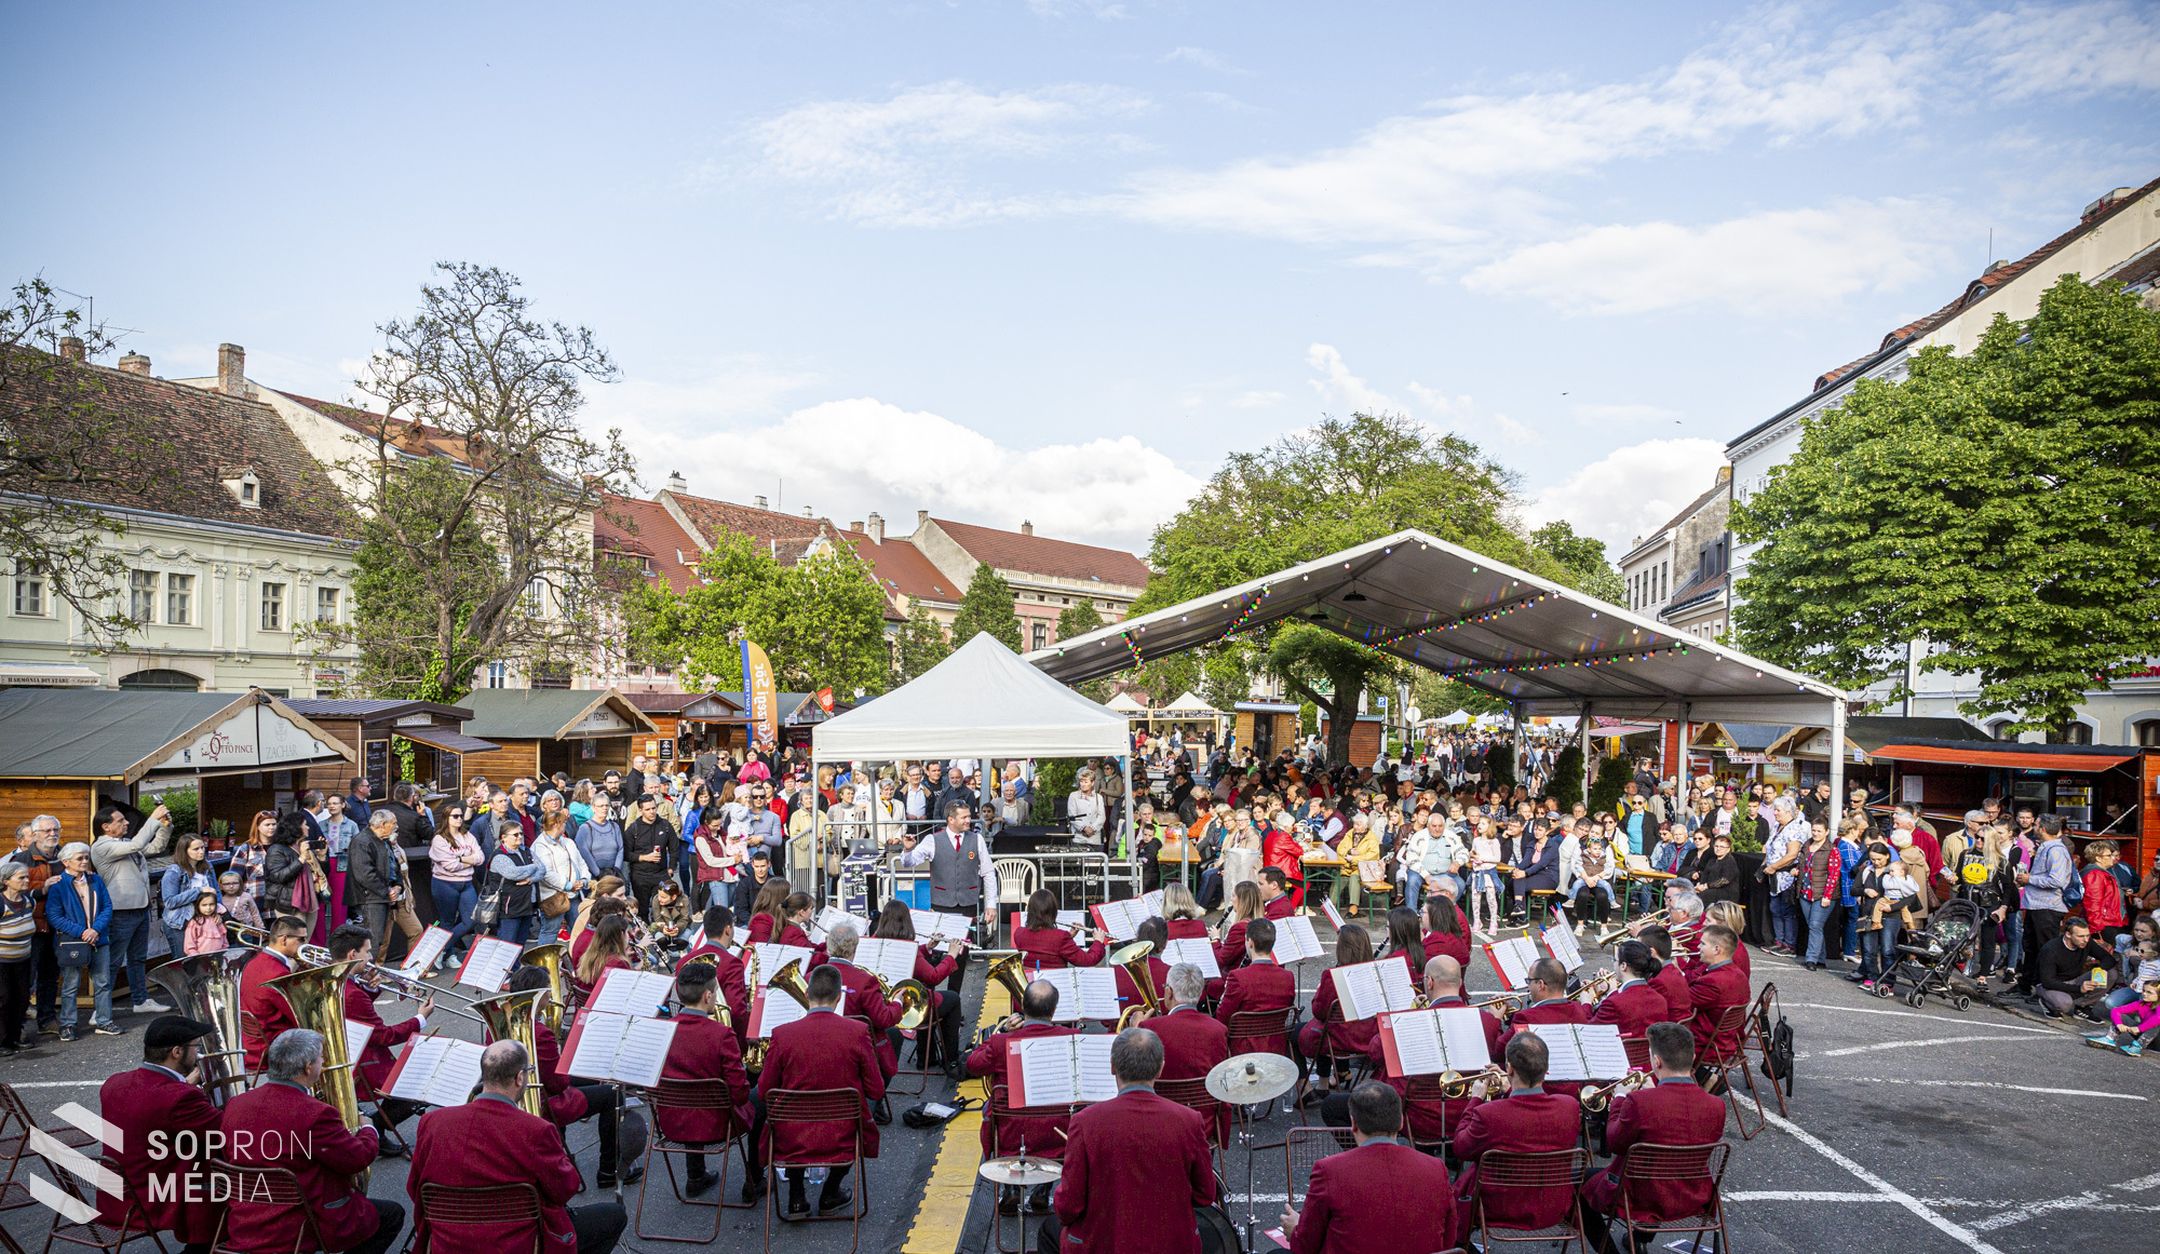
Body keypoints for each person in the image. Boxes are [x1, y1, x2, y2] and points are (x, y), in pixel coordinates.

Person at [406, 1039, 627, 1254]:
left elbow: (414, 1189)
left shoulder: (432, 1122)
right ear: (520, 1078)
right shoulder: (537, 1130)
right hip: (519, 1243)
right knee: (615, 1216)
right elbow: (565, 1189)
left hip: (447, 1243)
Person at [1040, 1027, 1218, 1254]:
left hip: (1105, 1244)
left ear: (1112, 1066)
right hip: (1172, 1244)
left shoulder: (1085, 1122)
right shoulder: (1189, 1120)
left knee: (1048, 1232)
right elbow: (1205, 1195)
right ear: (1161, 1068)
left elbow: (1068, 1207)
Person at [222, 1028, 399, 1254]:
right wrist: (368, 1128)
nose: (323, 1062)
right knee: (392, 1216)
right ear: (308, 1067)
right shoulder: (315, 1113)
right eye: (320, 1058)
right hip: (302, 1220)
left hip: (246, 1217)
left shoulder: (237, 1104)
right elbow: (357, 1158)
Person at [1580, 1021, 1730, 1254]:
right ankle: (1639, 1238)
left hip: (1640, 1197)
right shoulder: (1717, 1105)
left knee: (1579, 1183)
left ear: (1656, 1061)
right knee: (1656, 1164)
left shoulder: (1639, 1102)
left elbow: (1615, 1143)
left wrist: (1619, 1100)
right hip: (1691, 1195)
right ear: (1691, 1057)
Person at [756, 963, 884, 1218]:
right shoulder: (857, 1032)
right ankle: (830, 1191)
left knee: (787, 1114)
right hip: (842, 1133)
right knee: (860, 1108)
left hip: (792, 1136)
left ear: (806, 994)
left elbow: (764, 1091)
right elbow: (876, 1089)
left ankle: (796, 1196)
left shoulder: (782, 1034)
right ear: (839, 998)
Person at [1281, 1082, 1457, 1254]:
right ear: (1401, 1122)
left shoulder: (1329, 1170)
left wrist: (1295, 1230)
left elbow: (1305, 1246)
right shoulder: (1435, 1168)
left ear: (1354, 1124)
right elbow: (1449, 1237)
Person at [97, 1015, 222, 1251]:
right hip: (155, 1197)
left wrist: (184, 1085)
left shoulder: (114, 1083)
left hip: (118, 1195)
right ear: (176, 1052)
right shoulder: (179, 1097)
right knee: (226, 1164)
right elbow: (224, 1129)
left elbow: (154, 1106)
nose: (199, 1054)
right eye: (196, 1047)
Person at [506, 966, 633, 1190]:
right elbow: (558, 1084)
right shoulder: (541, 1032)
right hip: (543, 1101)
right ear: (538, 995)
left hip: (518, 1095)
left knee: (596, 1081)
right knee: (613, 1095)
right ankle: (608, 1171)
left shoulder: (500, 1023)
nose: (551, 996)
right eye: (548, 991)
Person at [1450, 1033, 1583, 1239]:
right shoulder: (1570, 1106)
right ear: (1546, 1070)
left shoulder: (1489, 1114)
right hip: (1553, 1208)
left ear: (1509, 1069)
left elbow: (1460, 1147)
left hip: (1498, 1211)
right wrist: (1510, 1088)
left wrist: (1476, 1098)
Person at [965, 978, 1080, 1215]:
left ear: (1022, 1008)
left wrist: (1002, 1031)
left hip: (1011, 1135)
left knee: (994, 1103)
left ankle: (1011, 1189)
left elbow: (972, 1064)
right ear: (1055, 1009)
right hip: (1057, 1135)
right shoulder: (1072, 1038)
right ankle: (1043, 1191)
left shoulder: (1001, 1042)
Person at [328, 924, 431, 1149]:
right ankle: (374, 1125)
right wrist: (420, 1019)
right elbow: (384, 1036)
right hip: (363, 1060)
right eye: (367, 951)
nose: (371, 957)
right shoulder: (352, 993)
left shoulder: (335, 979)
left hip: (353, 1047)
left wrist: (372, 989)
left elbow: (357, 1011)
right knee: (419, 1084)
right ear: (352, 955)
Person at [658, 966, 756, 1200]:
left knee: (690, 1088)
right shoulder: (721, 1035)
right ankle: (755, 1179)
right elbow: (740, 1094)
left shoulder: (662, 1030)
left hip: (672, 1122)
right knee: (760, 1100)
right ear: (708, 996)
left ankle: (696, 1175)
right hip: (717, 1125)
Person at [889, 799, 999, 978]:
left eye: (969, 816)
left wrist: (991, 904)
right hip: (941, 905)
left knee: (961, 953)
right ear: (951, 819)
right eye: (963, 817)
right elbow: (909, 862)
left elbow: (988, 872)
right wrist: (908, 850)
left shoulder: (976, 839)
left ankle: (954, 997)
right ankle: (936, 995)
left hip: (967, 904)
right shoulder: (932, 840)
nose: (968, 821)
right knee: (938, 951)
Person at [89, 801, 173, 1015]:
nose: (127, 822)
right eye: (120, 820)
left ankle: (141, 1000)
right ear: (106, 827)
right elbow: (137, 845)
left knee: (138, 958)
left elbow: (155, 847)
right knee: (113, 962)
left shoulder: (126, 841)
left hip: (140, 907)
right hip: (120, 912)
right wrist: (153, 818)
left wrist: (164, 826)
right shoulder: (101, 846)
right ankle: (100, 1011)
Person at [871, 899, 968, 1078]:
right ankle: (951, 1058)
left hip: (882, 1005)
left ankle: (927, 1057)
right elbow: (933, 976)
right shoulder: (907, 948)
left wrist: (927, 947)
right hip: (907, 1009)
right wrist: (951, 955)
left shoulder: (874, 943)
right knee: (952, 999)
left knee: (925, 991)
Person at [1136, 962, 1230, 1145]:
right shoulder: (1218, 1029)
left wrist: (1135, 1032)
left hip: (1159, 1123)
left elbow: (1137, 1077)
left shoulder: (1149, 1028)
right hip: (1203, 1124)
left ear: (1169, 992)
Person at [1297, 923, 1380, 1105]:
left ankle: (1307, 1089)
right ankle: (1323, 1084)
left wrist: (1319, 992)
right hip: (1369, 1037)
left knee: (1299, 1032)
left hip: (1340, 1039)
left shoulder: (1332, 976)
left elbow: (1319, 1011)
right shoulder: (1378, 973)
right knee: (1325, 1028)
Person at [47, 841, 122, 1040]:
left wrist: (95, 929)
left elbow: (107, 907)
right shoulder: (58, 885)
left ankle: (104, 1021)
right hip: (73, 941)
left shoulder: (95, 879)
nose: (84, 861)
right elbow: (54, 916)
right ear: (66, 862)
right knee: (71, 984)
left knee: (103, 982)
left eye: (86, 857)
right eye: (79, 858)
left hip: (99, 938)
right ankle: (68, 1024)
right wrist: (83, 932)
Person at [820, 923, 906, 1086]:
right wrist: (897, 1003)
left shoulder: (811, 976)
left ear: (828, 947)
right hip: (857, 1047)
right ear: (854, 949)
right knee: (893, 1034)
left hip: (819, 1043)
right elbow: (883, 1019)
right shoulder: (865, 980)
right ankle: (876, 1096)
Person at [1216, 916, 1296, 1056]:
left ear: (1250, 942)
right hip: (1276, 1046)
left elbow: (1222, 1017)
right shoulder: (1287, 977)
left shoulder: (1238, 977)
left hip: (1243, 1048)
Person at [350, 810, 421, 964]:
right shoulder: (362, 841)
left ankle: (376, 973)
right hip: (371, 898)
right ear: (382, 825)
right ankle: (367, 975)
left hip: (388, 895)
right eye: (393, 823)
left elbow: (394, 866)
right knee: (374, 940)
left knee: (383, 938)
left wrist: (397, 886)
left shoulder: (384, 840)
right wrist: (386, 891)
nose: (396, 826)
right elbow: (364, 875)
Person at [238, 915, 309, 1069]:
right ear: (284, 940)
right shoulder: (277, 973)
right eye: (301, 939)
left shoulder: (254, 962)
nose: (305, 944)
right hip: (270, 1046)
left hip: (252, 1043)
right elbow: (299, 1017)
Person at [427, 805, 485, 965]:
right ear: (447, 818)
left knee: (471, 920)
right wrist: (468, 858)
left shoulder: (467, 835)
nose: (459, 819)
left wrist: (460, 859)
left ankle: (441, 949)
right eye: (455, 816)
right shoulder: (439, 839)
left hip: (466, 882)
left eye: (460, 816)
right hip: (445, 883)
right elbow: (450, 866)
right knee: (447, 921)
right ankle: (449, 955)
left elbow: (480, 857)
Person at [1684, 925, 1750, 1067]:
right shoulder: (1738, 974)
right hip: (1727, 1041)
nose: (1698, 948)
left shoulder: (1713, 981)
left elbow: (1681, 1003)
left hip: (1707, 1045)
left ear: (1716, 950)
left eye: (1702, 944)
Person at [2036, 917, 2117, 1020]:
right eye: (2081, 936)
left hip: (2075, 980)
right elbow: (2047, 981)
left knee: (2111, 973)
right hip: (2049, 985)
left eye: (2088, 935)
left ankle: (2082, 1007)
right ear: (2068, 934)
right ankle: (2046, 1001)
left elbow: (2109, 959)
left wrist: (2099, 971)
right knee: (2064, 1004)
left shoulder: (2086, 943)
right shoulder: (2051, 949)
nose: (2086, 940)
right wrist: (2079, 989)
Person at [484, 821, 549, 946]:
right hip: (509, 909)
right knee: (507, 945)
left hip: (528, 905)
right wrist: (533, 866)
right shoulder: (499, 856)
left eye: (521, 833)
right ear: (504, 837)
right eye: (515, 834)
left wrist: (530, 879)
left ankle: (516, 966)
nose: (520, 836)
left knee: (520, 944)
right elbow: (513, 873)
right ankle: (504, 967)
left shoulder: (526, 850)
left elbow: (543, 870)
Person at [1013, 887, 1107, 970]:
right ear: (1053, 911)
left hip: (1030, 984)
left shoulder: (1019, 933)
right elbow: (1087, 961)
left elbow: (1043, 947)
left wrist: (1069, 937)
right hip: (1055, 984)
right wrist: (1098, 942)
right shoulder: (1061, 937)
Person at [1588, 940, 1666, 1038]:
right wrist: (1612, 992)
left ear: (1623, 966)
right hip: (1649, 1052)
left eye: (1615, 960)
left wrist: (1586, 1003)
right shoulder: (1660, 1000)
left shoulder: (1614, 1003)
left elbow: (1589, 1032)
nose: (1614, 964)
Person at [1794, 818, 1844, 971]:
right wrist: (1797, 870)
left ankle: (1811, 959)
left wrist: (1827, 896)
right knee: (1813, 925)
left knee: (1815, 925)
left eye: (1819, 831)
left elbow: (1834, 875)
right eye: (1814, 830)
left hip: (1822, 893)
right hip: (1805, 891)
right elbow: (1802, 864)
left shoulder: (1832, 850)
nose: (1815, 833)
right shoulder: (1807, 845)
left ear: (1827, 832)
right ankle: (1821, 957)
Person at [622, 794, 676, 917]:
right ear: (640, 810)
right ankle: (646, 933)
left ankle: (663, 933)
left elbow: (674, 848)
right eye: (647, 809)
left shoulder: (665, 825)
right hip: (640, 876)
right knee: (643, 910)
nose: (652, 812)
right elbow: (626, 854)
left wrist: (671, 868)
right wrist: (644, 857)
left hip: (661, 874)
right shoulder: (633, 828)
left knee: (664, 909)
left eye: (654, 808)